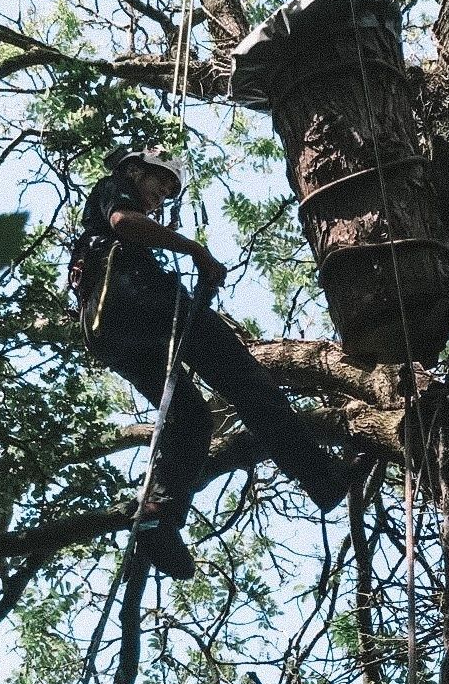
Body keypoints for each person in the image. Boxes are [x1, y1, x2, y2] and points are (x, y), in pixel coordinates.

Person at [69, 148, 351, 579]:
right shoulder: (114, 190)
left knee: (190, 420)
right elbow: (124, 223)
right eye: (160, 183)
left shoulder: (99, 233)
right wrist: (196, 251)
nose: (162, 196)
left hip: (109, 329)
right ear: (133, 169)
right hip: (139, 298)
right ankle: (321, 476)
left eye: (169, 192)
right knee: (245, 381)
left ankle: (157, 520)